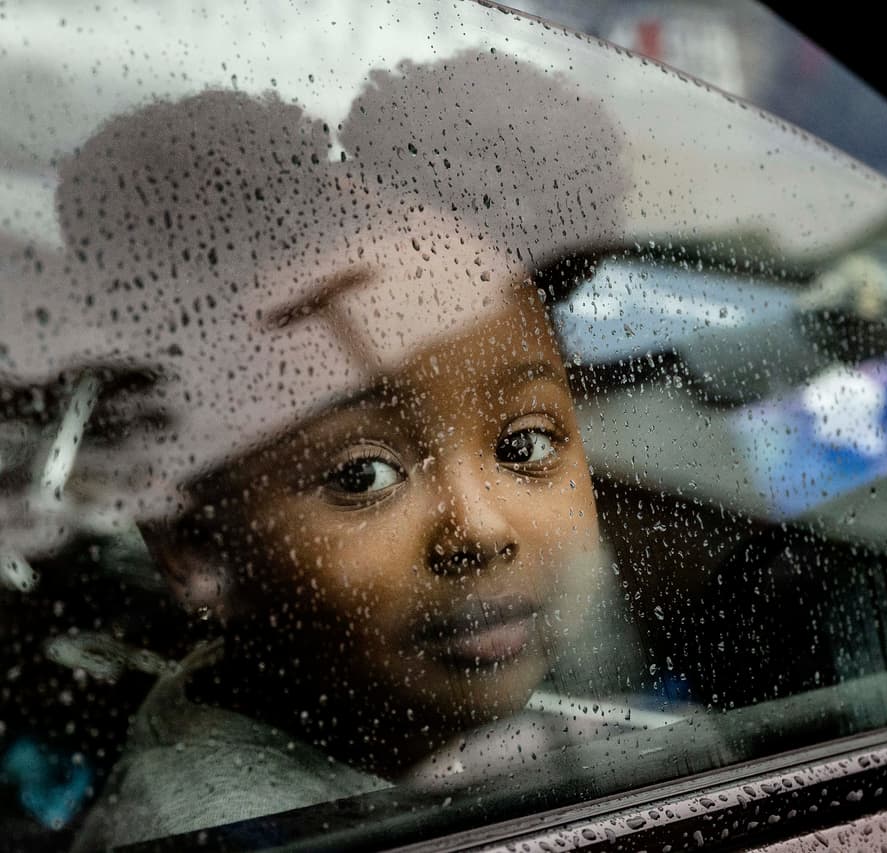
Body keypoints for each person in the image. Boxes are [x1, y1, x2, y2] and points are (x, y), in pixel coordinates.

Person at [51, 52, 629, 848]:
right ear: (191, 539)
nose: (480, 528)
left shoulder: (413, 732)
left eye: (524, 443)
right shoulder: (239, 831)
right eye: (363, 473)